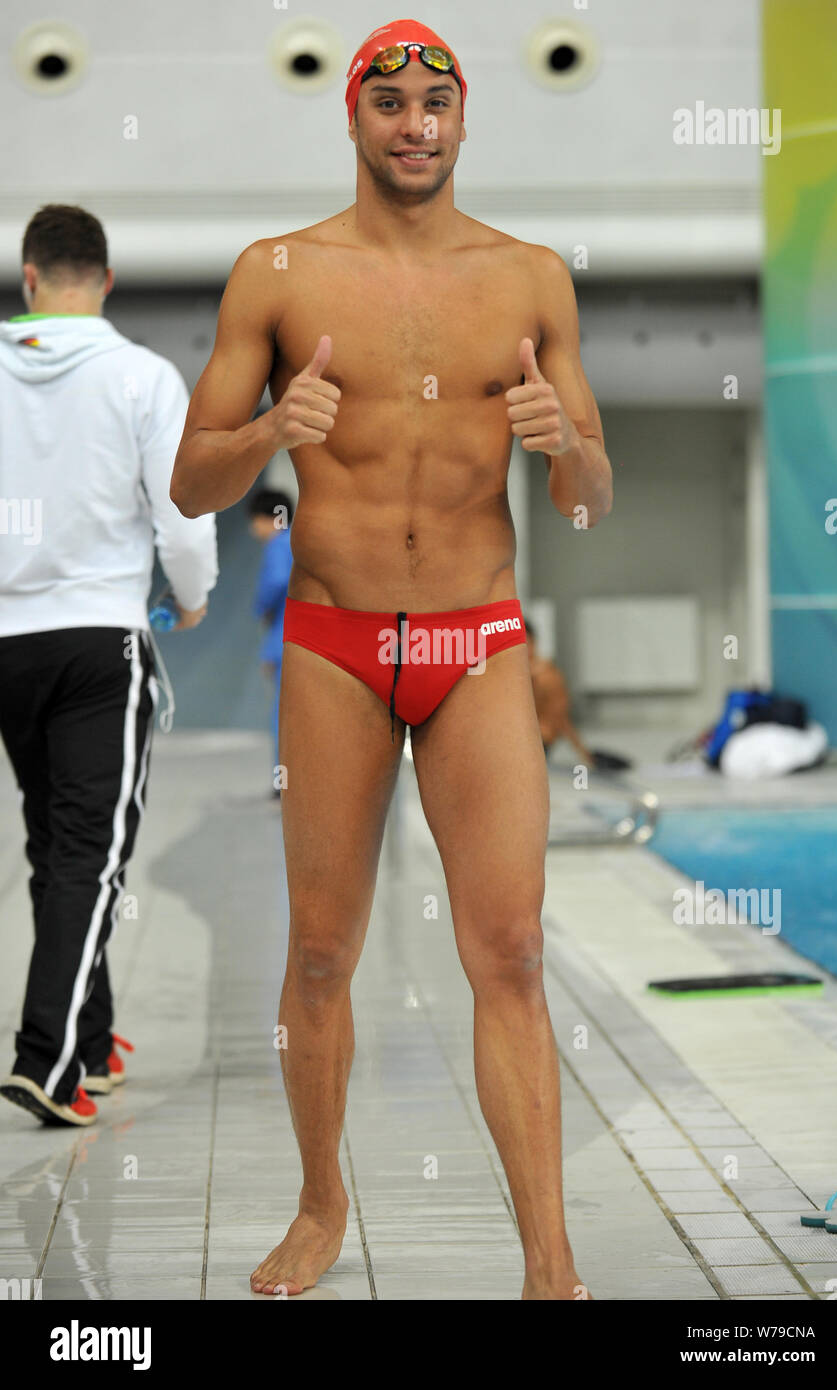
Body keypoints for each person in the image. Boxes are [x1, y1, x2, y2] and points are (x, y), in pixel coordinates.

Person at [170, 19, 612, 1300]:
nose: (413, 124)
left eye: (435, 103)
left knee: (511, 952)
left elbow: (590, 498)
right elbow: (193, 483)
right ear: (351, 121)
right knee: (319, 953)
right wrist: (266, 429)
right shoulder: (277, 272)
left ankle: (550, 1261)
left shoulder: (532, 278)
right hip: (333, 646)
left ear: (464, 121)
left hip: (478, 644)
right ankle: (320, 1207)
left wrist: (564, 449)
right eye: (389, 103)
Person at [0, 204, 218, 1127]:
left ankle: (91, 1043)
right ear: (108, 280)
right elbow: (181, 505)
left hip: (7, 641)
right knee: (91, 852)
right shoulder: (141, 377)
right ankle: (45, 1061)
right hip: (99, 641)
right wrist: (193, 590)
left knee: (54, 844)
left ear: (28, 275)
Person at [247, 488, 294, 780]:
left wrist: (261, 607)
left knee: (283, 714)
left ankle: (283, 783)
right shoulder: (300, 542)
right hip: (305, 638)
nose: (252, 528)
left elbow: (276, 580)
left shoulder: (279, 544)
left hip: (284, 640)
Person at [524, 619, 596, 768]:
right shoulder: (526, 673)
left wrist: (582, 751)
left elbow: (560, 717)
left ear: (532, 642)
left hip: (540, 739)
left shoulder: (548, 676)